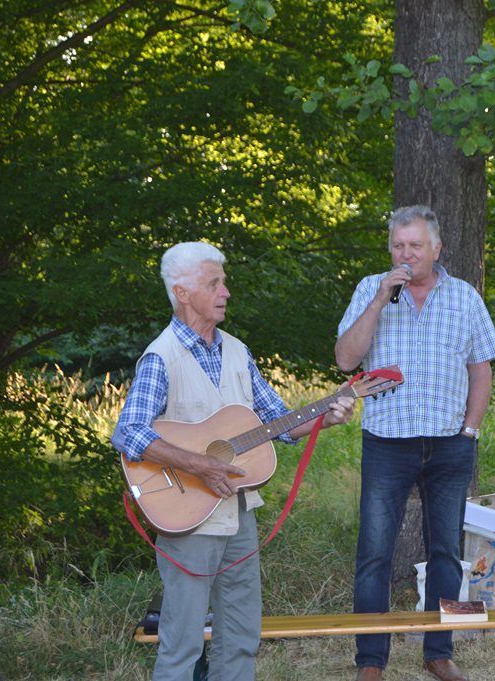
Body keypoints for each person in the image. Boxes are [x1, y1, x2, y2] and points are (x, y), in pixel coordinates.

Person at [112, 241, 355, 681]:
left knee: (241, 634)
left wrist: (328, 415)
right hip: (188, 516)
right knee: (182, 641)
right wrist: (199, 464)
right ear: (183, 292)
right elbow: (128, 433)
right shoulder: (161, 356)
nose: (225, 292)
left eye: (223, 282)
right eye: (214, 283)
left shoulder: (238, 351)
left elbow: (280, 423)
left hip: (239, 512)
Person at [335, 205, 495, 681]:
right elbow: (345, 359)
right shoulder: (371, 289)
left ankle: (439, 652)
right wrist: (378, 300)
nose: (405, 255)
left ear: (436, 248)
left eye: (415, 245)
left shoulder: (464, 296)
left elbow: (481, 369)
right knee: (375, 553)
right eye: (398, 246)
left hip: (450, 444)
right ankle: (371, 661)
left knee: (446, 551)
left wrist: (470, 431)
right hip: (387, 443)